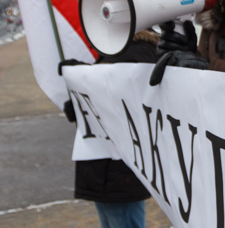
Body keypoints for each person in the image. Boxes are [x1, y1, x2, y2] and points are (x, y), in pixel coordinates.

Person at [63, 31, 158, 228]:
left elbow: (127, 106)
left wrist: (84, 80)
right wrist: (78, 100)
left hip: (118, 171)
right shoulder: (113, 51)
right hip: (105, 170)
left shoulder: (137, 52)